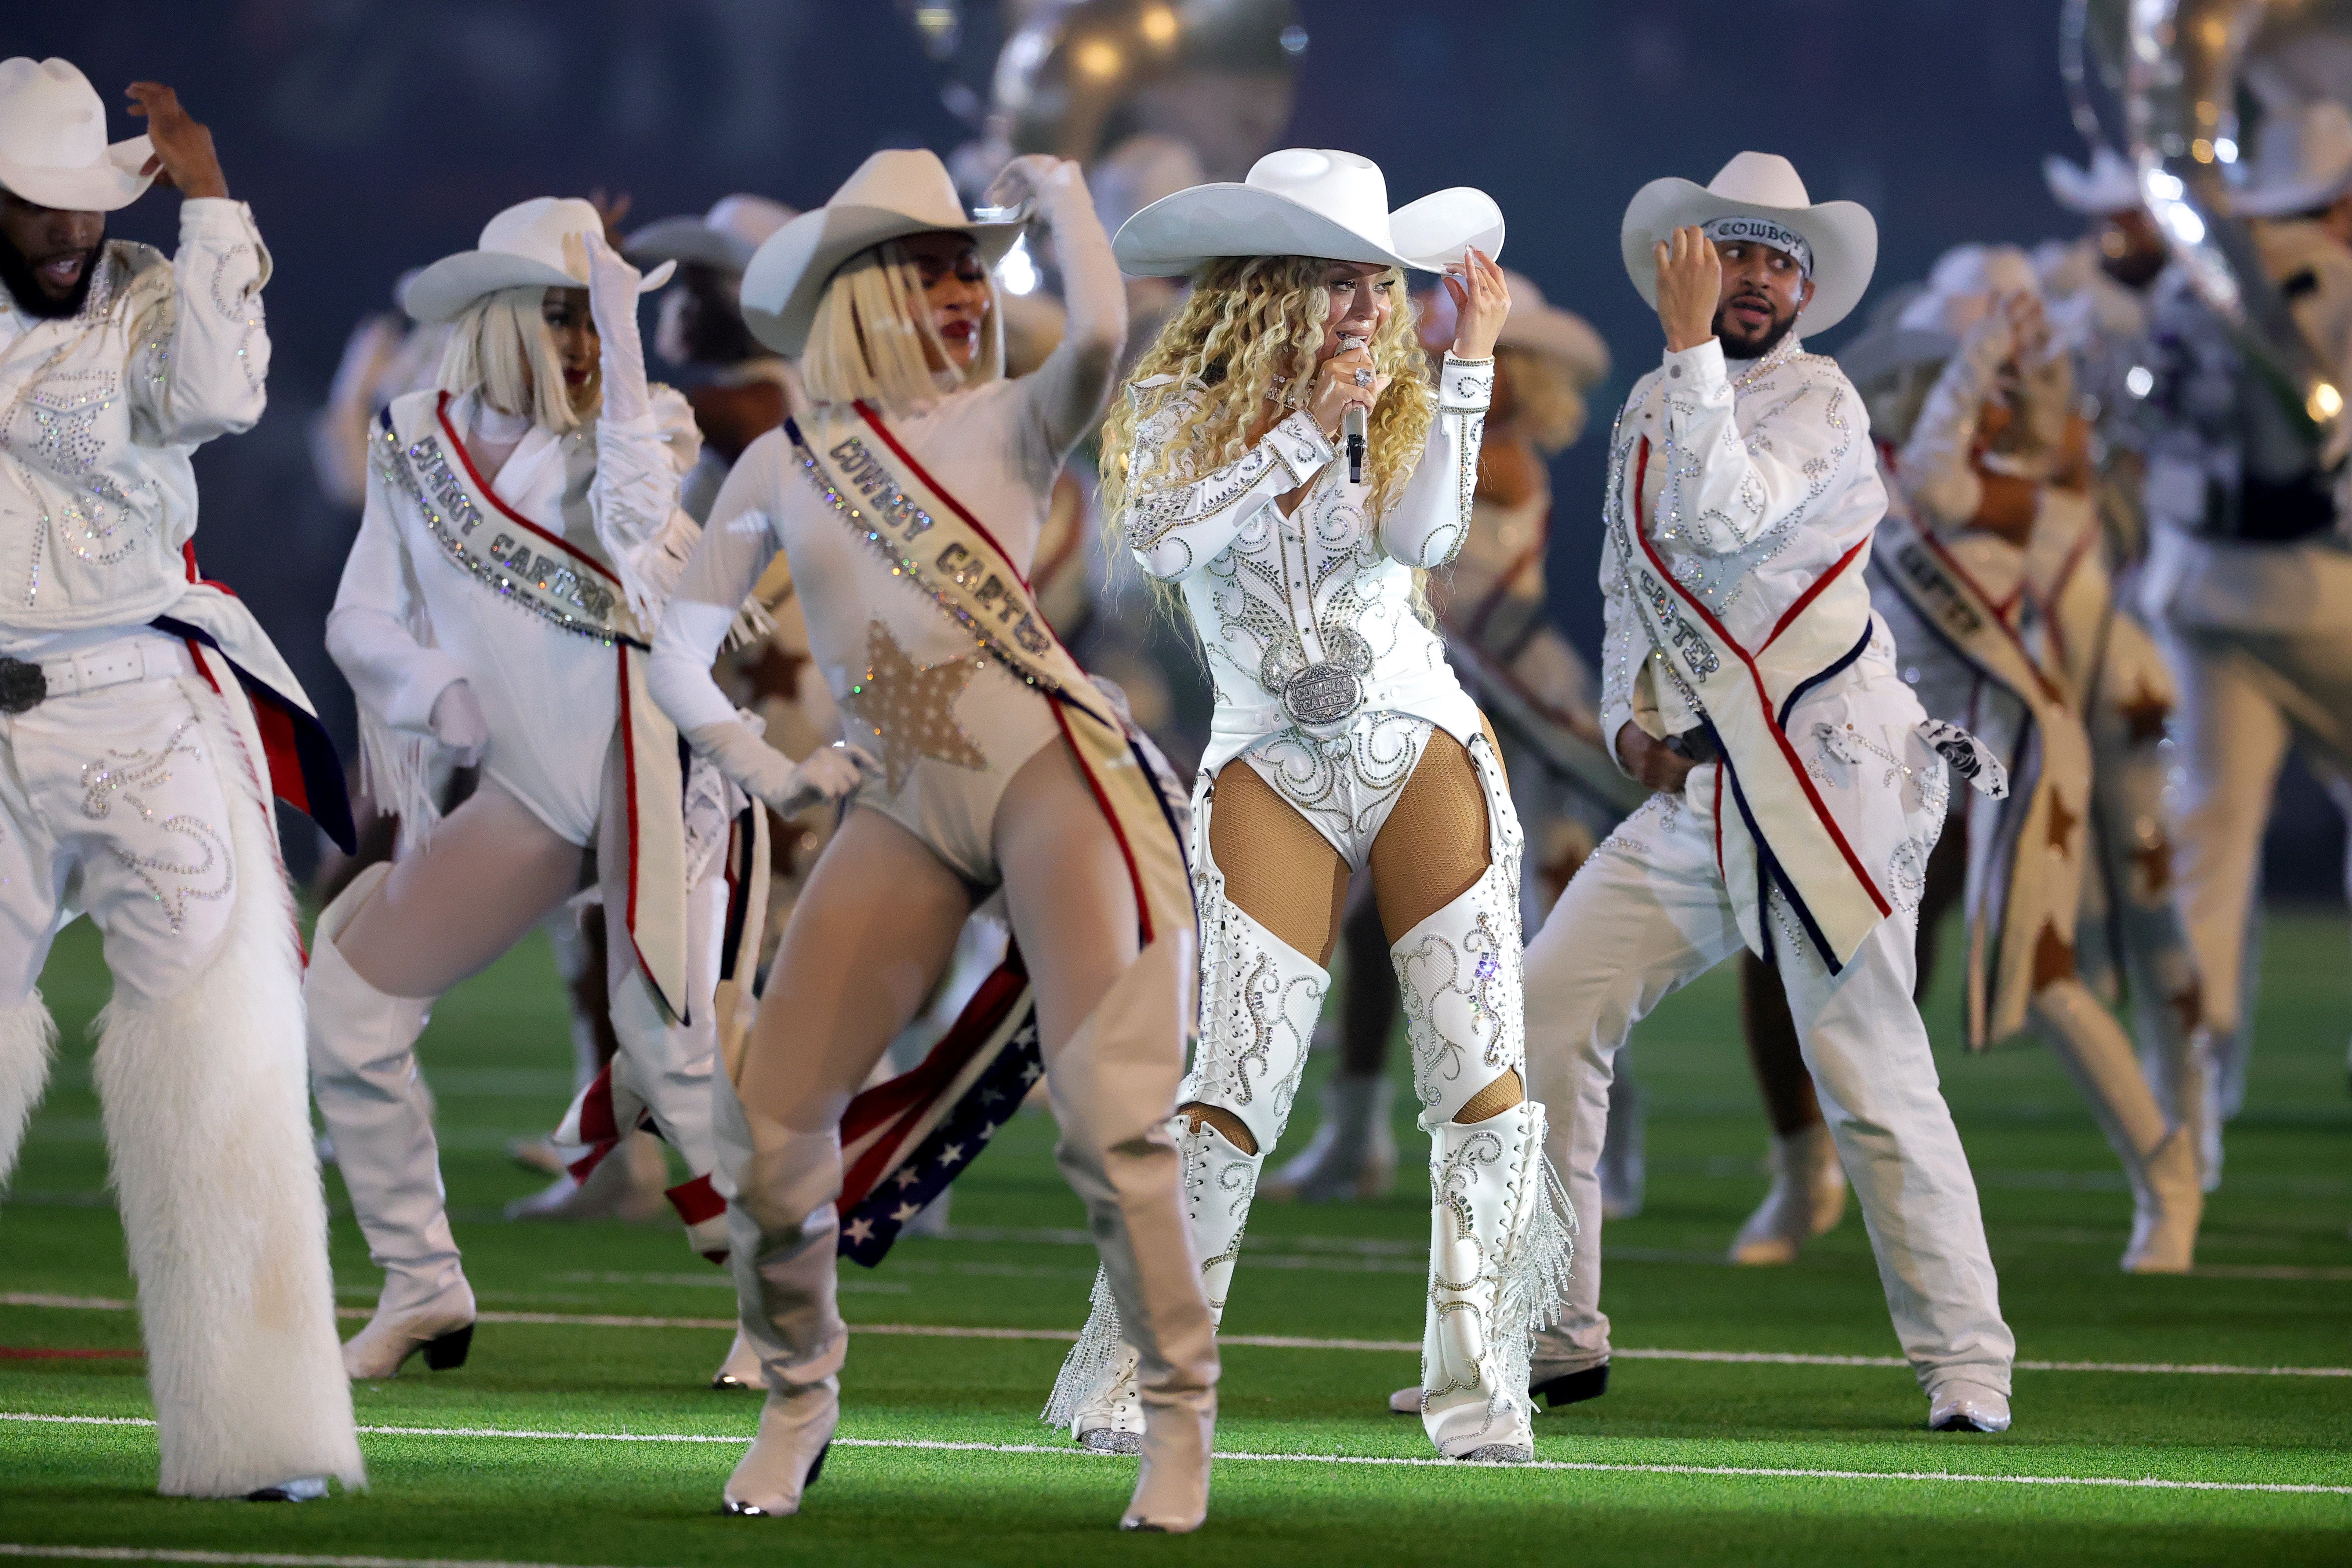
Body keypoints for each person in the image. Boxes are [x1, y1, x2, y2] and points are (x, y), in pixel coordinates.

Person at [647, 147, 1217, 1531]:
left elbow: (1095, 329)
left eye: (975, 263)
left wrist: (1066, 197)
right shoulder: (783, 462)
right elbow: (673, 642)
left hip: (1050, 777)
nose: (969, 289)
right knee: (770, 1129)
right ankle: (798, 1396)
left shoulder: (1017, 420)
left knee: (1112, 1123)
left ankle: (1179, 1421)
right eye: (939, 267)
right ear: (859, 292)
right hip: (899, 808)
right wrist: (759, 760)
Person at [1045, 147, 1570, 1466]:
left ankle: (1479, 1387)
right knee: (1233, 1089)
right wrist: (1291, 431)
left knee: (1481, 1080)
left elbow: (1428, 543)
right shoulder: (1175, 396)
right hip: (1269, 758)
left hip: (1419, 743)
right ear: (1264, 285)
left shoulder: (1395, 395)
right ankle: (1136, 1377)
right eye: (1332, 282)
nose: (1359, 307)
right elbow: (1160, 542)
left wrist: (1463, 370)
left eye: (1372, 283)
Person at [1516, 152, 2017, 1433]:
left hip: (1828, 780)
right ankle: (1554, 1335)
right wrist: (1633, 727)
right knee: (1543, 1018)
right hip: (1706, 791)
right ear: (1696, 262)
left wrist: (1688, 352)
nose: (1757, 277)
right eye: (1735, 252)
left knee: (1866, 1065)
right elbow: (1629, 579)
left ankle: (1968, 1367)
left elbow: (1726, 514)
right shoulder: (1643, 402)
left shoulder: (1827, 404)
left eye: (1780, 259)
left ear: (1805, 289)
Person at [310, 196, 785, 1383]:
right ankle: (422, 1287)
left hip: (654, 776)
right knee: (349, 1013)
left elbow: (635, 534)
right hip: (528, 789)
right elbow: (359, 613)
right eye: (566, 317)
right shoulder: (413, 436)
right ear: (499, 317)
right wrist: (429, 690)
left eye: (600, 318)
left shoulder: (651, 424)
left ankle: (779, 1312)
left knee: (673, 1058)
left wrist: (626, 347)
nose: (584, 343)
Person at [0, 58, 361, 1499]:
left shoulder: (158, 293)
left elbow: (219, 398)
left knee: (227, 1080)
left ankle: (258, 1440)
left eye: (89, 199)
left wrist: (212, 206)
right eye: (37, 204)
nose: (67, 229)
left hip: (145, 710)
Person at [1266, 269, 1646, 1212]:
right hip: (1424, 700)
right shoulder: (1425, 434)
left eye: (1477, 356)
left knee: (1521, 942)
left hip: (1507, 709)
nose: (1450, 369)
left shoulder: (1502, 454)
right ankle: (1354, 1138)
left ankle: (1604, 1136)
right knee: (1367, 928)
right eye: (1438, 354)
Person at [1860, 245, 2205, 1271]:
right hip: (1915, 766)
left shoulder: (2009, 491)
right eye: (1974, 374)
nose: (1995, 397)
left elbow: (1936, 479)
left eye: (2001, 376)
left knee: (2047, 973)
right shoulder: (1860, 473)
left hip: (2021, 758)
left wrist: (1987, 368)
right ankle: (1847, 1192)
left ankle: (2168, 1167)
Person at [2138, 99, 2352, 1149]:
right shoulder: (2341, 282)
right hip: (2326, 595)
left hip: (2203, 588)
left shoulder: (2190, 278)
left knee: (2206, 851)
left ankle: (2185, 1116)